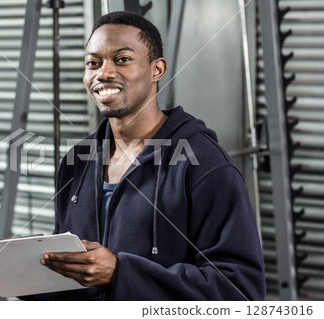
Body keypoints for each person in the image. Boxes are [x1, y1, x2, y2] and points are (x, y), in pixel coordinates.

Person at [38, 11, 265, 301]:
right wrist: (29, 273)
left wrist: (121, 273)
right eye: (93, 63)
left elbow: (240, 291)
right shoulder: (77, 161)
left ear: (157, 69)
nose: (103, 73)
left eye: (122, 59)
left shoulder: (204, 163)